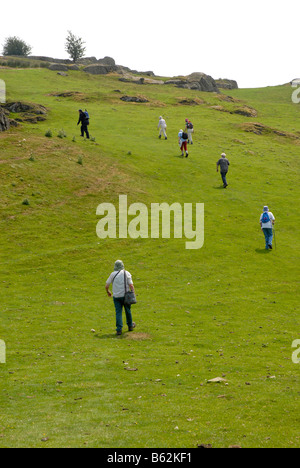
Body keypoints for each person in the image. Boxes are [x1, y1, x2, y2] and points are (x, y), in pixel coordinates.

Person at [105, 260, 136, 335]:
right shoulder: (126, 273)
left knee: (118, 312)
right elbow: (131, 285)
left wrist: (108, 292)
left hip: (116, 296)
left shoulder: (112, 274)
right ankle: (130, 326)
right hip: (126, 296)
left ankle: (119, 329)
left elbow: (106, 286)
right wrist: (133, 293)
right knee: (128, 311)